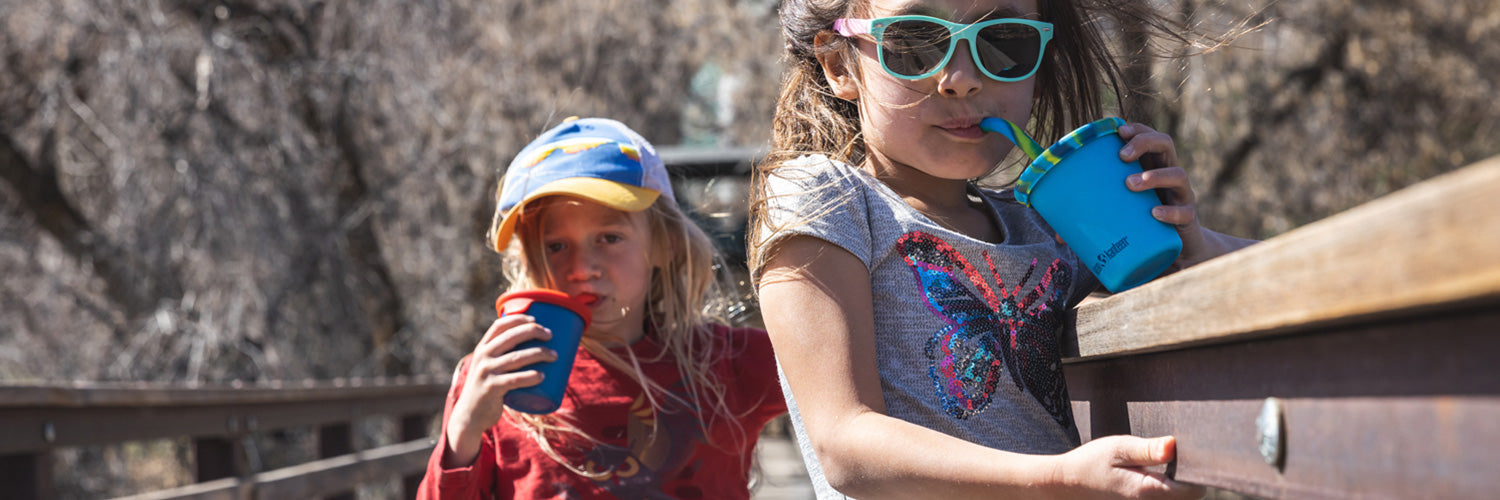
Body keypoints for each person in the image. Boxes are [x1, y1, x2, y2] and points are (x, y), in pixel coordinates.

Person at [749, 0, 1256, 498]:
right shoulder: (822, 195)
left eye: (1004, 40)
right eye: (915, 42)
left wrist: (1187, 241)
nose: (962, 78)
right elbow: (846, 445)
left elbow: (1291, 276)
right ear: (840, 65)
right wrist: (1063, 480)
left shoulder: (1046, 225)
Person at [419, 117, 786, 499]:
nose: (581, 269)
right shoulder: (498, 378)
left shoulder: (727, 362)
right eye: (555, 246)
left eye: (610, 238)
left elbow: (843, 383)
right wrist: (464, 432)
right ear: (528, 260)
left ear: (666, 244)